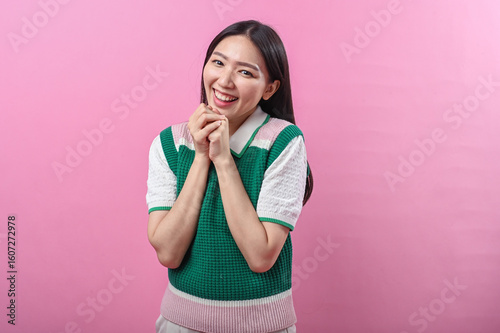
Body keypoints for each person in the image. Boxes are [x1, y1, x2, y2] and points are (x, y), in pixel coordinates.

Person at [146, 20, 313, 333]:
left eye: (245, 71)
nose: (224, 81)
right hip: (179, 324)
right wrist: (200, 155)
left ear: (270, 87)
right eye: (218, 62)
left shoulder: (283, 142)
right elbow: (168, 252)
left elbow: (261, 255)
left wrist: (223, 160)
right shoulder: (169, 143)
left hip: (262, 327)